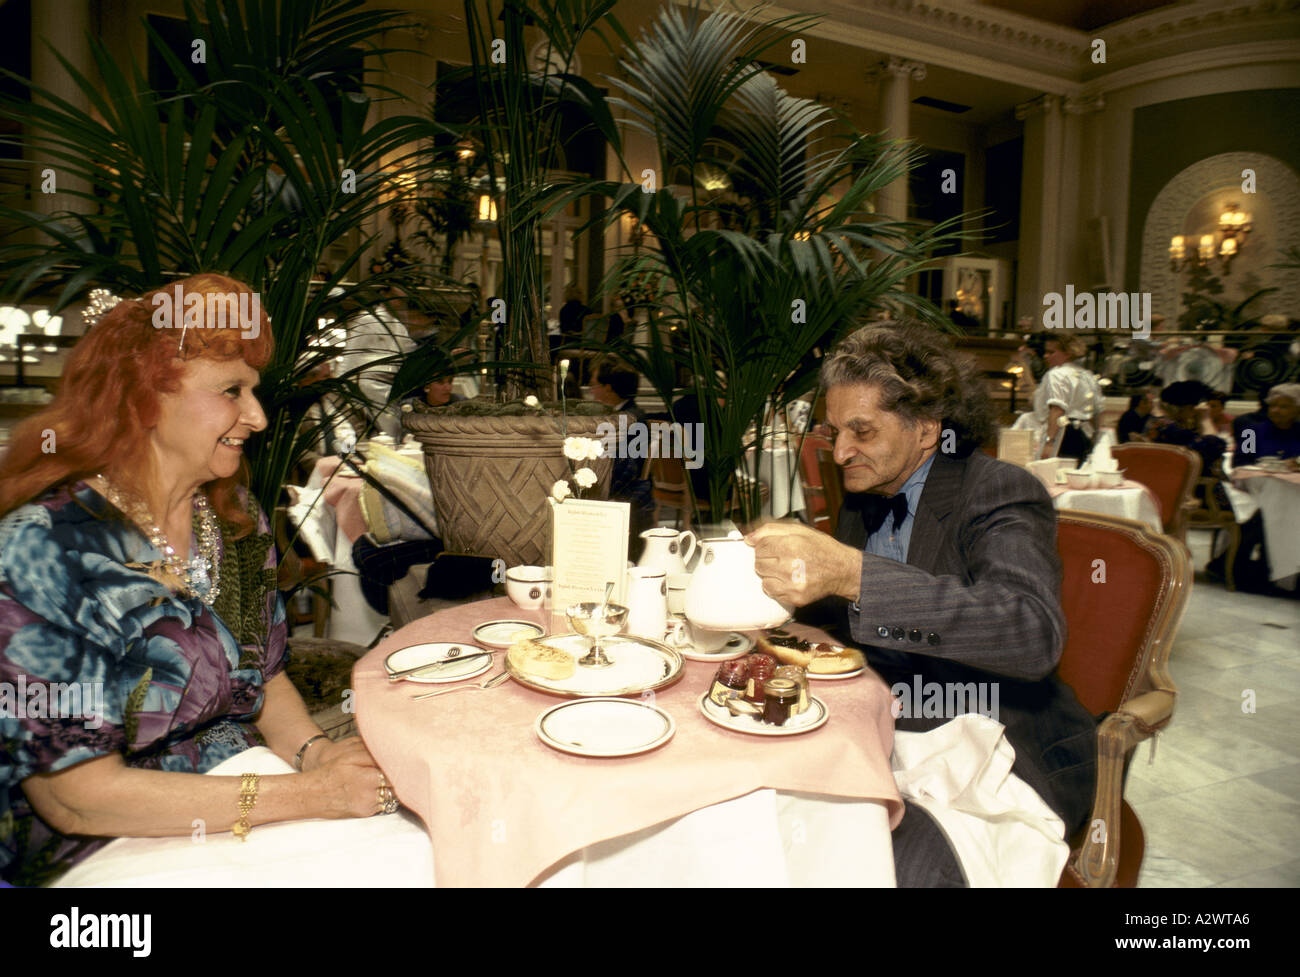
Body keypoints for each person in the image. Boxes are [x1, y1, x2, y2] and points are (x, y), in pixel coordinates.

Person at [0, 274, 394, 886]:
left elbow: (266, 676)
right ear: (142, 398)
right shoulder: (45, 549)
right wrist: (313, 796)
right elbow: (76, 800)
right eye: (231, 391)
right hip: (103, 846)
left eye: (254, 391)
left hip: (235, 785)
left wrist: (318, 756)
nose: (258, 417)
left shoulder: (231, 519)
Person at [747, 320, 1096, 887]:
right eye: (834, 431)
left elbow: (1030, 634)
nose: (839, 452)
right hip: (888, 733)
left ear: (927, 428)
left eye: (861, 430)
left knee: (890, 867)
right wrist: (770, 592)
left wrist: (852, 572)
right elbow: (851, 619)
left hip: (993, 747)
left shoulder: (1000, 489)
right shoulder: (868, 496)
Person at [590, 359, 655, 559]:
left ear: (607, 388)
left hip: (625, 500)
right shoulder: (625, 416)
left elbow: (624, 472)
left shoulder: (628, 422)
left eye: (594, 384)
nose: (591, 390)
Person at [1014, 334, 1103, 463]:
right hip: (1084, 436)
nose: (1046, 356)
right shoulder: (1088, 376)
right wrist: (1095, 437)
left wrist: (1049, 443)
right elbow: (1097, 412)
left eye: (1051, 352)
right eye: (1046, 352)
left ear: (1067, 353)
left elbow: (1057, 409)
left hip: (1063, 436)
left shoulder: (1056, 374)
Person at [1147, 380, 1226, 475]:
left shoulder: (1159, 422)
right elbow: (1215, 446)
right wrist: (1205, 419)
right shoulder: (1170, 429)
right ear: (1190, 407)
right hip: (1179, 482)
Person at [1234, 383, 1300, 466]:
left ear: (1298, 410)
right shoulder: (1250, 432)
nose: (1275, 410)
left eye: (1284, 407)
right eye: (1272, 406)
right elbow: (1240, 463)